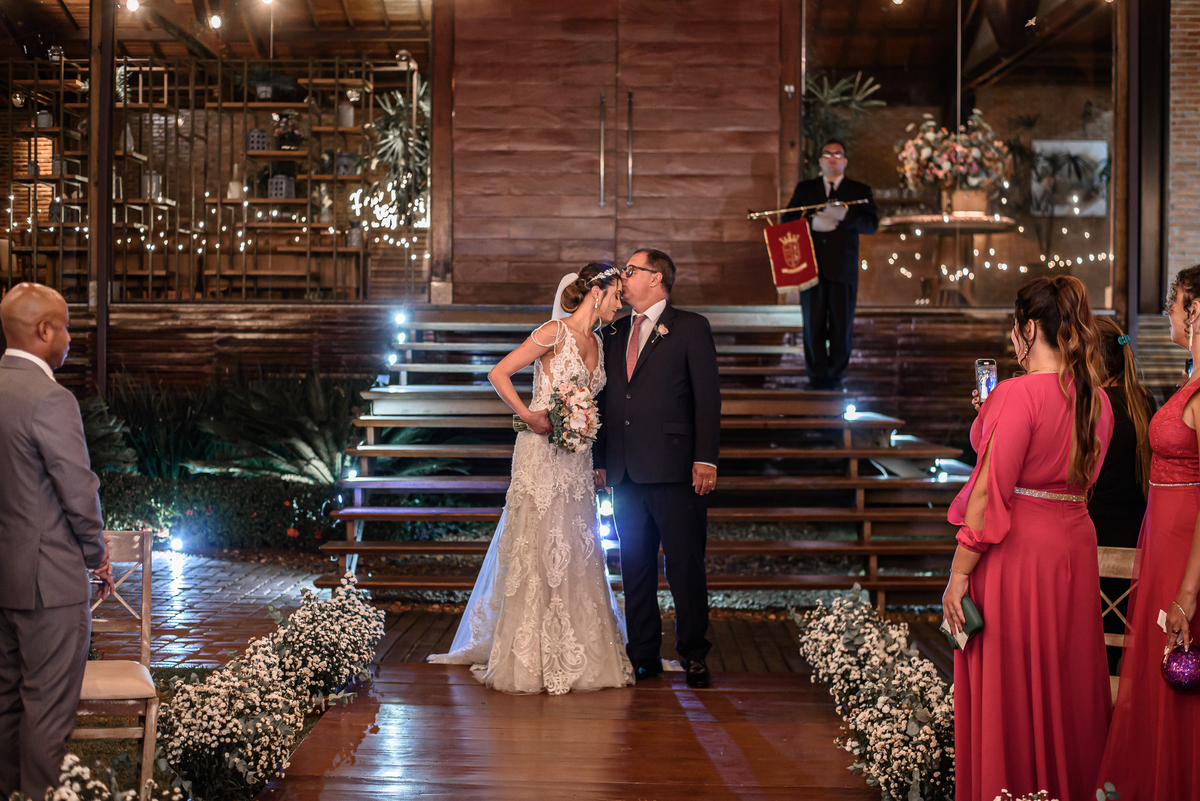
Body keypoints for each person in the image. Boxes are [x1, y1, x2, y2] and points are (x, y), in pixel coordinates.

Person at [942, 275, 1113, 801]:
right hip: (1073, 547)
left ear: (1031, 329)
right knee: (1066, 680)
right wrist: (993, 418)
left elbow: (989, 494)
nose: (1012, 338)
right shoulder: (1097, 400)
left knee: (1011, 684)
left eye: (1014, 328)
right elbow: (1074, 473)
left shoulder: (1016, 394)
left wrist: (958, 575)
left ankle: (1010, 786)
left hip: (1018, 554)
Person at [428, 262, 634, 694]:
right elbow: (498, 372)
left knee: (577, 541)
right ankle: (527, 652)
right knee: (537, 540)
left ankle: (576, 647)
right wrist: (528, 414)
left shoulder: (598, 341)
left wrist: (582, 428)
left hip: (577, 458)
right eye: (617, 293)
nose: (621, 301)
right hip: (540, 453)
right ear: (596, 292)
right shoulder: (553, 332)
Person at [0, 282, 113, 799]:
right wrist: (97, 554)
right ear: (44, 331)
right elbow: (77, 489)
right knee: (47, 717)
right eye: (66, 326)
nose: (70, 337)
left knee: (6, 710)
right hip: (49, 584)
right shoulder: (51, 398)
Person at [593, 248, 722, 689]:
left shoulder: (690, 327)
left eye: (631, 270)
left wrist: (705, 457)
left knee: (685, 567)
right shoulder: (613, 332)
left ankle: (694, 653)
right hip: (625, 470)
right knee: (635, 566)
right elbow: (604, 400)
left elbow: (707, 397)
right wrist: (600, 460)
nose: (623, 277)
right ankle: (643, 653)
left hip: (677, 469)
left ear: (656, 278)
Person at [1097, 264, 1200, 798]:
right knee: (1161, 673)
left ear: (1196, 310)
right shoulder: (1190, 379)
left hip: (1186, 548)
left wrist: (1187, 593)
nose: (1168, 314)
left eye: (1173, 303)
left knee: (1181, 662)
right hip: (1162, 541)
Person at [781, 139, 879, 391]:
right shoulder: (806, 189)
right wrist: (811, 223)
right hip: (810, 269)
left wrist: (845, 216)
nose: (833, 159)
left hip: (843, 271)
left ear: (845, 161)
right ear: (820, 161)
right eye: (827, 154)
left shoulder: (859, 190)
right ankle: (816, 378)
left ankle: (836, 378)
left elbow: (871, 225)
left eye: (838, 155)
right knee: (812, 326)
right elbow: (787, 218)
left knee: (841, 326)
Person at [1089, 317, 1155, 676]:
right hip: (1137, 546)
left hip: (1094, 545)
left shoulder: (1095, 405)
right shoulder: (1145, 399)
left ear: (1093, 359)